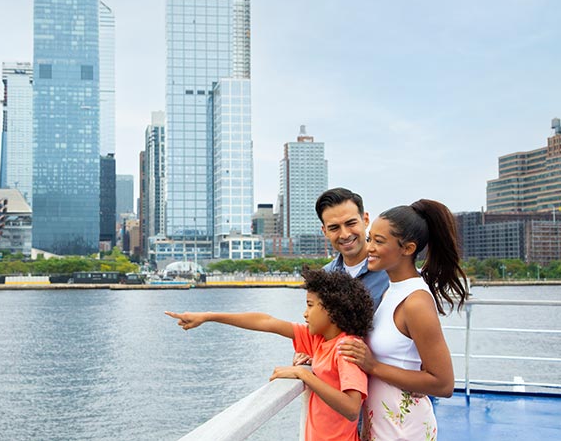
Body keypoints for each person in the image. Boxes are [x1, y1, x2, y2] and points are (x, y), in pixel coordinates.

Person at [165, 268, 374, 441]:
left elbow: (352, 407)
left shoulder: (347, 348)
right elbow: (266, 322)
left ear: (333, 310)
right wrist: (209, 316)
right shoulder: (320, 340)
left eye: (310, 305)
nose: (305, 313)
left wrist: (305, 375)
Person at [337, 199, 468, 441]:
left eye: (379, 241)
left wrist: (373, 366)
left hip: (404, 430)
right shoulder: (390, 291)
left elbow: (443, 383)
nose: (369, 248)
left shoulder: (415, 301)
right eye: (370, 239)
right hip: (381, 426)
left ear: (407, 249)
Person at [295, 188, 390, 367]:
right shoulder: (323, 276)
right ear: (324, 231)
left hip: (385, 380)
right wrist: (305, 351)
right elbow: (316, 329)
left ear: (366, 219)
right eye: (334, 228)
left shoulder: (392, 272)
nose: (345, 234)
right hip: (339, 385)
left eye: (351, 223)